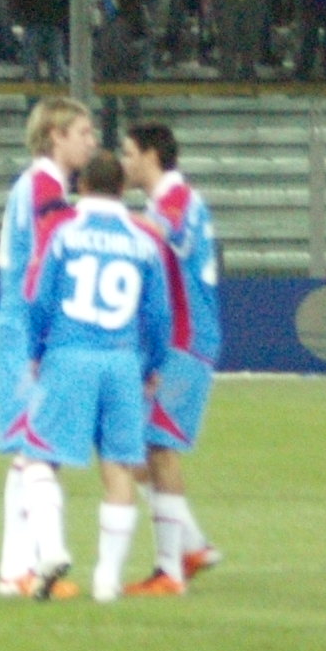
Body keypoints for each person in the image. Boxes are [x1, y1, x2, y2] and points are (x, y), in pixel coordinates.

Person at [18, 150, 175, 601]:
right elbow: (159, 315)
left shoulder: (65, 233)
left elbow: (41, 297)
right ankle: (107, 580)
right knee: (119, 467)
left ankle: (51, 549)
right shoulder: (144, 239)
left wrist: (34, 350)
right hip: (122, 361)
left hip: (70, 355)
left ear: (81, 186)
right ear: (122, 190)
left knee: (40, 457)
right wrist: (152, 367)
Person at [0, 95, 94, 595]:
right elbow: (54, 254)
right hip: (29, 326)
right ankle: (20, 570)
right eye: (83, 133)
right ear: (56, 135)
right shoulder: (44, 186)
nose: (92, 142)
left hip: (21, 321)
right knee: (38, 446)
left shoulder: (36, 185)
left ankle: (18, 570)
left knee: (34, 448)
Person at [118, 123, 224, 588]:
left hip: (186, 338)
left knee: (158, 447)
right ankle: (192, 545)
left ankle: (170, 570)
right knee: (137, 449)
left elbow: (164, 232)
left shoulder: (174, 200)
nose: (124, 162)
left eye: (128, 153)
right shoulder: (164, 202)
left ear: (151, 156)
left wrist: (102, 215)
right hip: (172, 339)